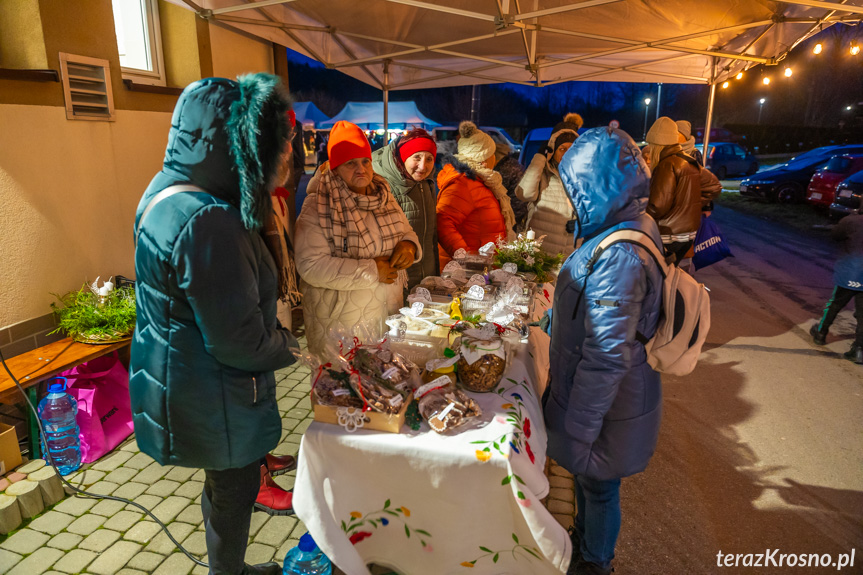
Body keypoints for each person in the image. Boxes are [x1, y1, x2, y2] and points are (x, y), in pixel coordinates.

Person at [131, 75, 299, 575]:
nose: (283, 154)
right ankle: (229, 571)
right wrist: (291, 346)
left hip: (185, 379)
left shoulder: (168, 190)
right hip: (214, 391)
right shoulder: (208, 220)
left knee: (225, 485)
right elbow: (240, 341)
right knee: (234, 487)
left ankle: (230, 568)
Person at [543, 127, 664, 575]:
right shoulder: (623, 226)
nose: (570, 198)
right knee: (594, 486)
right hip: (608, 400)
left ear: (594, 186)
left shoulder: (620, 254)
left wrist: (577, 430)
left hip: (608, 405)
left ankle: (596, 563)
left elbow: (607, 354)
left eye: (574, 187)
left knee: (599, 487)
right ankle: (590, 543)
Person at [295, 120, 421, 355]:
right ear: (335, 168)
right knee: (343, 388)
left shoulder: (383, 194)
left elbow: (405, 230)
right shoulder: (318, 203)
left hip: (386, 312)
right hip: (341, 325)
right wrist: (373, 271)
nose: (361, 169)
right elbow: (310, 266)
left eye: (365, 161)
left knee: (385, 384)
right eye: (350, 163)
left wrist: (409, 245)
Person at [436, 121, 517, 266]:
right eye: (493, 154)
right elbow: (442, 222)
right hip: (466, 273)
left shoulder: (480, 182)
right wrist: (467, 258)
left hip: (481, 268)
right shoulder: (463, 184)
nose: (495, 158)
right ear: (484, 158)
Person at [372, 128, 439, 290]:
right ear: (403, 157)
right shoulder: (382, 185)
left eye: (429, 159)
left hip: (426, 275)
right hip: (396, 280)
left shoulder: (426, 183)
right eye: (417, 157)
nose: (423, 166)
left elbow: (430, 236)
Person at [516, 113, 583, 257]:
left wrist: (581, 225)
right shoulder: (543, 173)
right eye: (562, 149)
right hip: (541, 253)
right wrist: (540, 157)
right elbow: (524, 194)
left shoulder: (584, 176)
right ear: (553, 150)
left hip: (571, 254)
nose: (567, 154)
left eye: (571, 149)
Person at [810, 202, 863, 364]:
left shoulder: (851, 221)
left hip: (850, 270)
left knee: (835, 303)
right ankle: (859, 349)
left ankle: (821, 332)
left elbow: (836, 235)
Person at [644, 116, 702, 265]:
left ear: (657, 144)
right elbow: (713, 185)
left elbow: (657, 207)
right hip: (686, 235)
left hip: (668, 236)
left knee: (660, 280)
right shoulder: (686, 160)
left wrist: (636, 211)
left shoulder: (667, 164)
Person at [490, 134, 528, 233]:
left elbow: (498, 193)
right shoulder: (511, 164)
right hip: (518, 211)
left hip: (513, 213)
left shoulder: (505, 170)